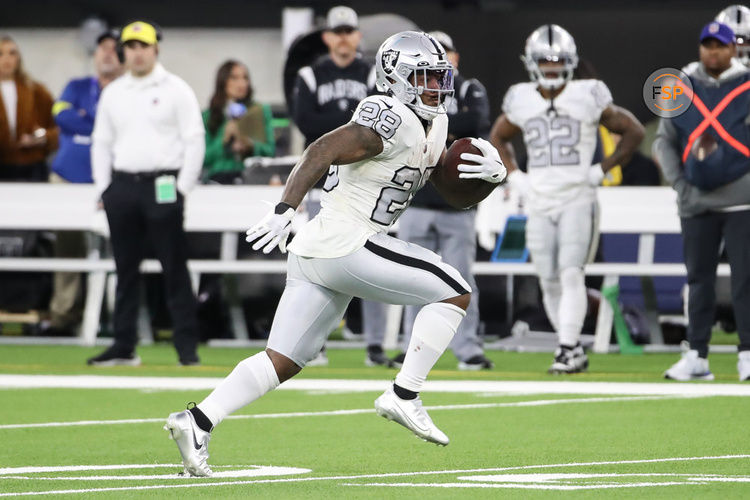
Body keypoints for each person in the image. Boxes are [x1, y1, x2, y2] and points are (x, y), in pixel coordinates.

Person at [164, 31, 507, 477]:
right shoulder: (389, 115)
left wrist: (487, 175)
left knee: (282, 360)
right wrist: (285, 208)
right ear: (396, 78)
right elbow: (321, 149)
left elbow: (441, 184)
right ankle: (404, 394)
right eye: (424, 77)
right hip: (349, 240)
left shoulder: (434, 122)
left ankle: (197, 421)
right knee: (455, 291)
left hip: (321, 250)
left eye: (439, 78)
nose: (435, 88)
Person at [490, 24, 644, 374]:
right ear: (531, 62)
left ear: (571, 61)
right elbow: (498, 136)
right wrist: (515, 176)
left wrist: (600, 169)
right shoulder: (521, 97)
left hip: (578, 196)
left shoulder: (587, 93)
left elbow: (633, 130)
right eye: (544, 60)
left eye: (557, 60)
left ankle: (566, 346)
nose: (551, 67)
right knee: (547, 277)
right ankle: (570, 347)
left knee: (571, 273)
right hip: (539, 200)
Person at [88, 21, 205, 366]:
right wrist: (104, 188)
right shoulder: (114, 92)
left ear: (156, 49)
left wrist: (183, 187)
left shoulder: (176, 89)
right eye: (131, 47)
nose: (137, 53)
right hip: (123, 186)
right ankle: (123, 345)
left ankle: (186, 348)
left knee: (174, 268)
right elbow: (102, 142)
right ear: (124, 51)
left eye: (144, 46)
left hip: (164, 184)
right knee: (124, 268)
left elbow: (193, 139)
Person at [291, 6, 386, 367]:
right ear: (328, 37)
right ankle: (314, 344)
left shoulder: (372, 72)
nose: (344, 38)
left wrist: (341, 130)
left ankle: (375, 345)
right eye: (338, 32)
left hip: (366, 183)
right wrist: (352, 125)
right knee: (320, 261)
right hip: (322, 182)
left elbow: (380, 121)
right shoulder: (310, 75)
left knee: (376, 260)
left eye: (350, 31)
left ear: (357, 35)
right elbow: (305, 122)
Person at [393, 31, 493, 371]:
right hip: (417, 200)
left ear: (455, 55)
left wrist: (438, 126)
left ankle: (468, 349)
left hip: (457, 203)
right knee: (411, 279)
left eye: (445, 52)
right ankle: (411, 348)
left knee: (462, 279)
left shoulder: (466, 88)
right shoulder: (409, 89)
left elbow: (477, 121)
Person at [655, 22, 750, 381]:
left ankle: (747, 354)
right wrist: (679, 184)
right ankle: (696, 354)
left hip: (743, 198)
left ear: (732, 50)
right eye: (707, 45)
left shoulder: (746, 84)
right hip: (696, 198)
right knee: (698, 280)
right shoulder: (679, 86)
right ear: (700, 48)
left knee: (746, 280)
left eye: (720, 45)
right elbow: (664, 140)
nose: (713, 51)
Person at [43, 29, 122, 336]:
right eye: (102, 48)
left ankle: (113, 317)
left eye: (114, 49)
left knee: (118, 248)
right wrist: (100, 122)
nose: (107, 53)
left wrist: (86, 119)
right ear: (94, 54)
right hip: (69, 178)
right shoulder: (76, 86)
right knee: (68, 246)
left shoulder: (127, 91)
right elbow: (60, 115)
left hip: (112, 181)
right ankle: (64, 314)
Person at [202, 60, 275, 184]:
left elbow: (270, 151)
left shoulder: (260, 111)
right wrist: (223, 139)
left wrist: (250, 146)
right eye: (234, 78)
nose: (242, 83)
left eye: (245, 78)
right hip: (217, 181)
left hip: (252, 178)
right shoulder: (209, 116)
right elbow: (202, 158)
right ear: (223, 82)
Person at [0, 35, 58, 181]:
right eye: (1, 54)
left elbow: (57, 127)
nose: (6, 59)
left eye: (12, 53)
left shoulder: (36, 90)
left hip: (32, 165)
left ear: (18, 58)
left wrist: (42, 137)